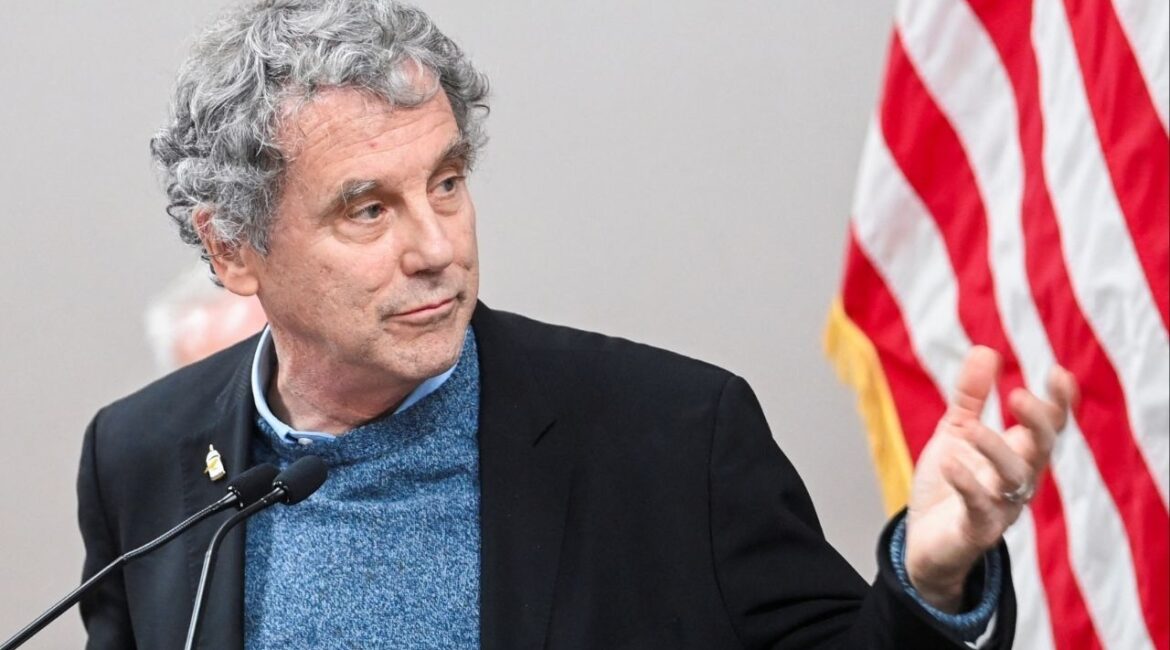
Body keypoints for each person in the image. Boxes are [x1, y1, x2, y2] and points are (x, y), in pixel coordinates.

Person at [76, 1, 1075, 648]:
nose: (437, 246)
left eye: (449, 182)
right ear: (234, 249)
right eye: (367, 208)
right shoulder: (144, 454)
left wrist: (932, 580)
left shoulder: (677, 436)